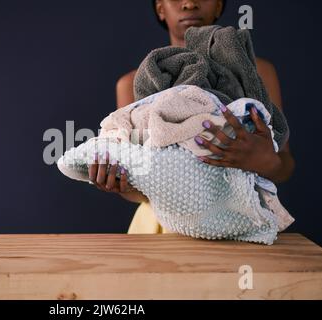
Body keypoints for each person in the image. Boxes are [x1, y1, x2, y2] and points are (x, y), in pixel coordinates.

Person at [88, 0, 295, 234]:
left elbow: (285, 165)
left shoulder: (256, 73)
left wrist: (267, 161)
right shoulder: (132, 84)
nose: (189, 3)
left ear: (218, 6)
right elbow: (138, 192)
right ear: (160, 8)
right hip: (159, 230)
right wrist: (120, 183)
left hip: (239, 223)